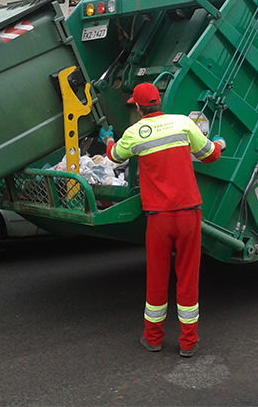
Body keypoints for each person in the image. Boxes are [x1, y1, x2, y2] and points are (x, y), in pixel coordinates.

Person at [99, 82, 225, 358]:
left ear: (138, 107)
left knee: (157, 277)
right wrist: (220, 143)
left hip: (159, 217)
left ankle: (153, 338)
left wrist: (108, 138)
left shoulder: (135, 133)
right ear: (159, 102)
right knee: (188, 276)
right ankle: (188, 342)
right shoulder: (182, 124)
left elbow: (113, 157)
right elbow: (210, 156)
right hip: (189, 212)